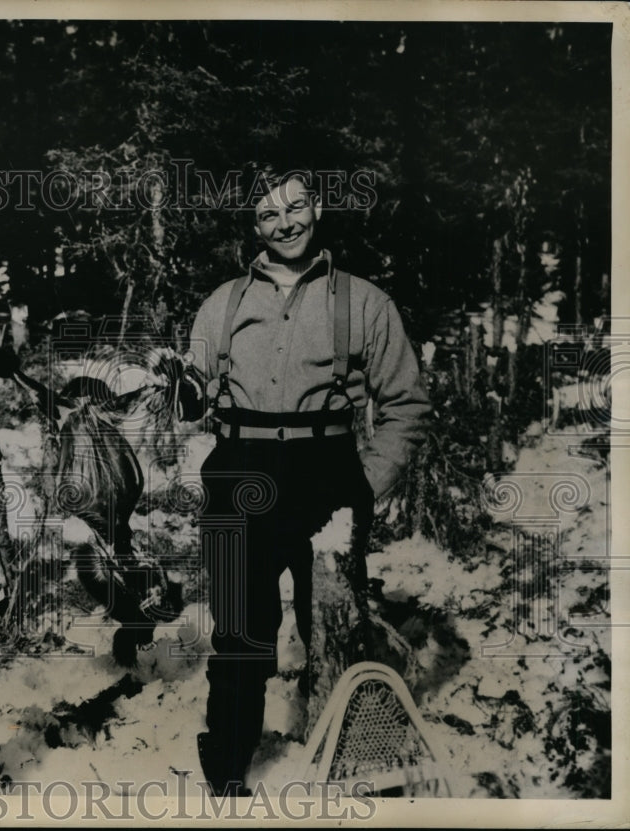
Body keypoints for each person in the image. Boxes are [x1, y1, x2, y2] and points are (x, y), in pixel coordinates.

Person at [179, 167, 431, 796]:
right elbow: (191, 393)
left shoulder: (364, 301)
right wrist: (180, 389)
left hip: (328, 479)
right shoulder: (225, 301)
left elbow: (405, 405)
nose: (284, 223)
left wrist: (366, 484)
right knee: (240, 628)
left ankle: (351, 758)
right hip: (240, 474)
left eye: (294, 207)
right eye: (268, 214)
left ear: (316, 208)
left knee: (336, 623)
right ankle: (231, 766)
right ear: (253, 225)